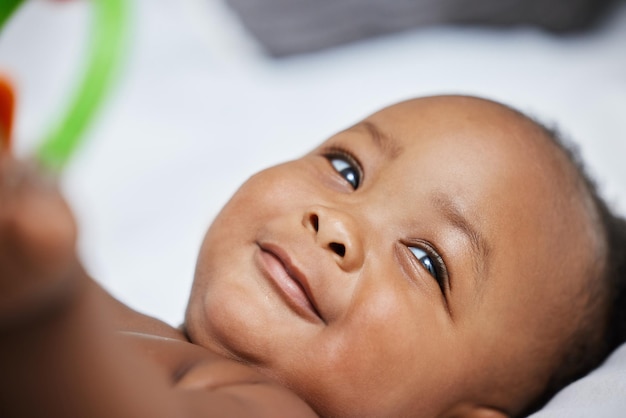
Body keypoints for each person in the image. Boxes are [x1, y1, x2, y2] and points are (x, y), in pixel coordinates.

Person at [1, 95, 624, 418]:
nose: (338, 224)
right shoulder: (123, 325)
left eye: (427, 260)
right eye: (346, 169)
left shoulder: (270, 410)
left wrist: (42, 300)